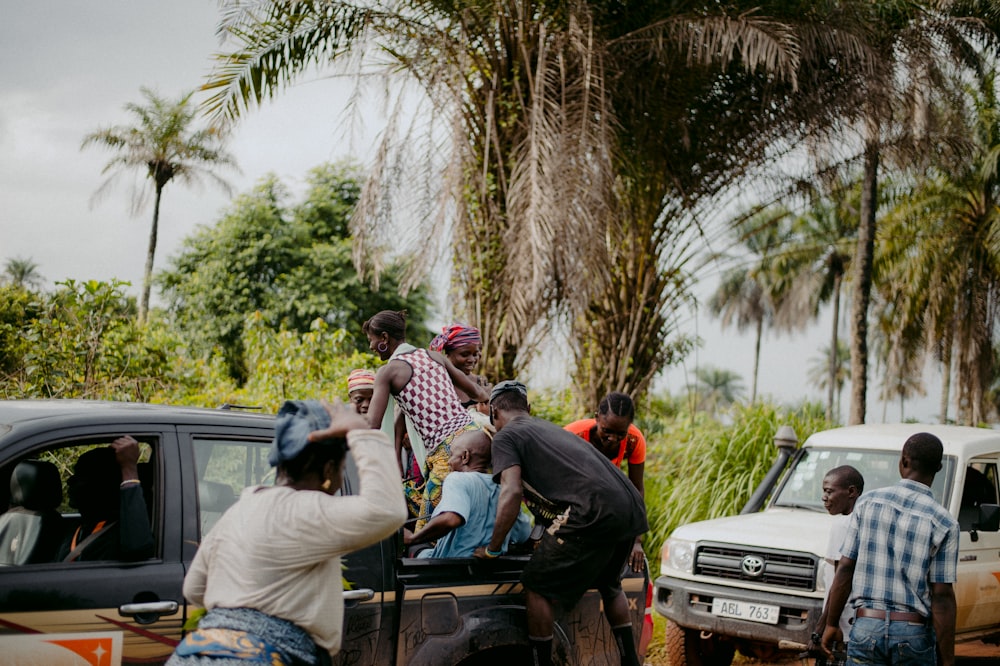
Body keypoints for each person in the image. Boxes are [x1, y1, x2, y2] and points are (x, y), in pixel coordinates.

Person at [168, 399, 407, 666]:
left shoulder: (239, 509)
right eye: (341, 468)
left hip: (196, 654)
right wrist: (361, 432)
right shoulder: (304, 510)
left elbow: (194, 588)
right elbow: (388, 510)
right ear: (328, 469)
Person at [477, 380, 648, 666]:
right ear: (528, 409)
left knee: (536, 585)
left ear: (493, 412)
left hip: (594, 511)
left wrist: (492, 549)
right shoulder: (548, 428)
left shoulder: (506, 436)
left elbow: (511, 492)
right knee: (610, 584)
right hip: (631, 507)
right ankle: (630, 661)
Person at [821, 432, 959, 666]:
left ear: (903, 461)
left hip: (866, 628)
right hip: (913, 632)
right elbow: (942, 596)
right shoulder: (945, 522)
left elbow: (845, 569)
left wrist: (832, 624)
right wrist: (947, 660)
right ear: (938, 468)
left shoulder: (867, 503)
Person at [362, 310, 489, 528]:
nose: (371, 346)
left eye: (371, 340)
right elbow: (480, 394)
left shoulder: (388, 372)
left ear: (384, 338)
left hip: (449, 454)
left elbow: (372, 424)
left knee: (425, 530)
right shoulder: (433, 356)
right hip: (476, 438)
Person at [403, 429, 531, 558]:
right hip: (490, 567)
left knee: (415, 548)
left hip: (450, 566)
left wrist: (413, 538)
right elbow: (523, 534)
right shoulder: (504, 489)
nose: (448, 462)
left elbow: (450, 519)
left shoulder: (458, 479)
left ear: (465, 457)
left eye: (451, 455)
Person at [564, 391, 647, 572]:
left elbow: (636, 491)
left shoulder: (634, 440)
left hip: (605, 507)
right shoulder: (572, 435)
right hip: (571, 504)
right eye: (606, 431)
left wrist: (636, 542)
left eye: (620, 434)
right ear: (596, 418)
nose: (612, 439)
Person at [56, 435, 154, 562]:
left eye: (80, 475)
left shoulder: (120, 534)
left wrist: (129, 469)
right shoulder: (80, 526)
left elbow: (138, 550)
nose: (69, 481)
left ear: (101, 485)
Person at [811, 465, 864, 665]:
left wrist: (820, 630)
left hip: (840, 626)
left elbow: (837, 583)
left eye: (829, 491)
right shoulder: (862, 520)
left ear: (851, 492)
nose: (824, 497)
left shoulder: (843, 525)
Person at [429, 323, 492, 422]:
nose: (472, 359)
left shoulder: (481, 383)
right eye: (465, 354)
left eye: (475, 354)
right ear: (448, 354)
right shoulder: (436, 382)